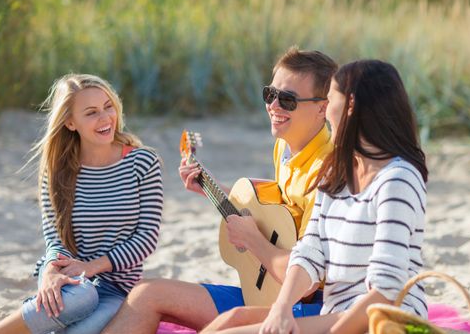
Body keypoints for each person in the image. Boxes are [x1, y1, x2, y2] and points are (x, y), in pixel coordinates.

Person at [102, 47, 338, 333]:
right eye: (269, 94)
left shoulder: (328, 174)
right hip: (269, 293)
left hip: (310, 306)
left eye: (287, 100)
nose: (274, 107)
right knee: (146, 293)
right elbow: (276, 214)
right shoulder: (286, 145)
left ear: (322, 108)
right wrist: (210, 187)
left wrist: (252, 240)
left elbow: (309, 282)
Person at [202, 59, 429, 334]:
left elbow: (386, 289)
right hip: (337, 314)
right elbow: (310, 251)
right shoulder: (335, 171)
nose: (325, 111)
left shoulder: (397, 180)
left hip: (386, 321)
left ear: (351, 105)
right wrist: (281, 309)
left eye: (330, 99)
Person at [0, 74, 163, 334]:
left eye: (108, 106)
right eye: (91, 112)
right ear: (70, 122)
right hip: (69, 278)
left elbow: (147, 238)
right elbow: (55, 235)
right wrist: (50, 270)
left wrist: (92, 267)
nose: (106, 118)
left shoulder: (143, 163)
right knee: (83, 296)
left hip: (117, 289)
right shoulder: (58, 170)